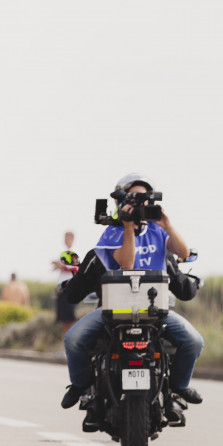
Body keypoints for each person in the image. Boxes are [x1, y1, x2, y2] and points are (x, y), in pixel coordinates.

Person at [61, 173, 205, 413]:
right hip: (113, 311)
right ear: (121, 201)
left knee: (194, 341)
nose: (140, 205)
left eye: (144, 199)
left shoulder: (158, 231)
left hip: (155, 310)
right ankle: (81, 387)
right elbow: (126, 264)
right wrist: (128, 227)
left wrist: (167, 225)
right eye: (134, 199)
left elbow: (183, 252)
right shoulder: (112, 233)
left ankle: (178, 386)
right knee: (73, 340)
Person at [52, 231, 80, 335]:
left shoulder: (74, 253)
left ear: (72, 239)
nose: (65, 240)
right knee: (64, 318)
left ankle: (72, 340)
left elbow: (73, 267)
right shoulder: (62, 252)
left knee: (70, 318)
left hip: (70, 288)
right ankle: (66, 343)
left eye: (67, 238)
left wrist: (62, 265)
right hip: (62, 289)